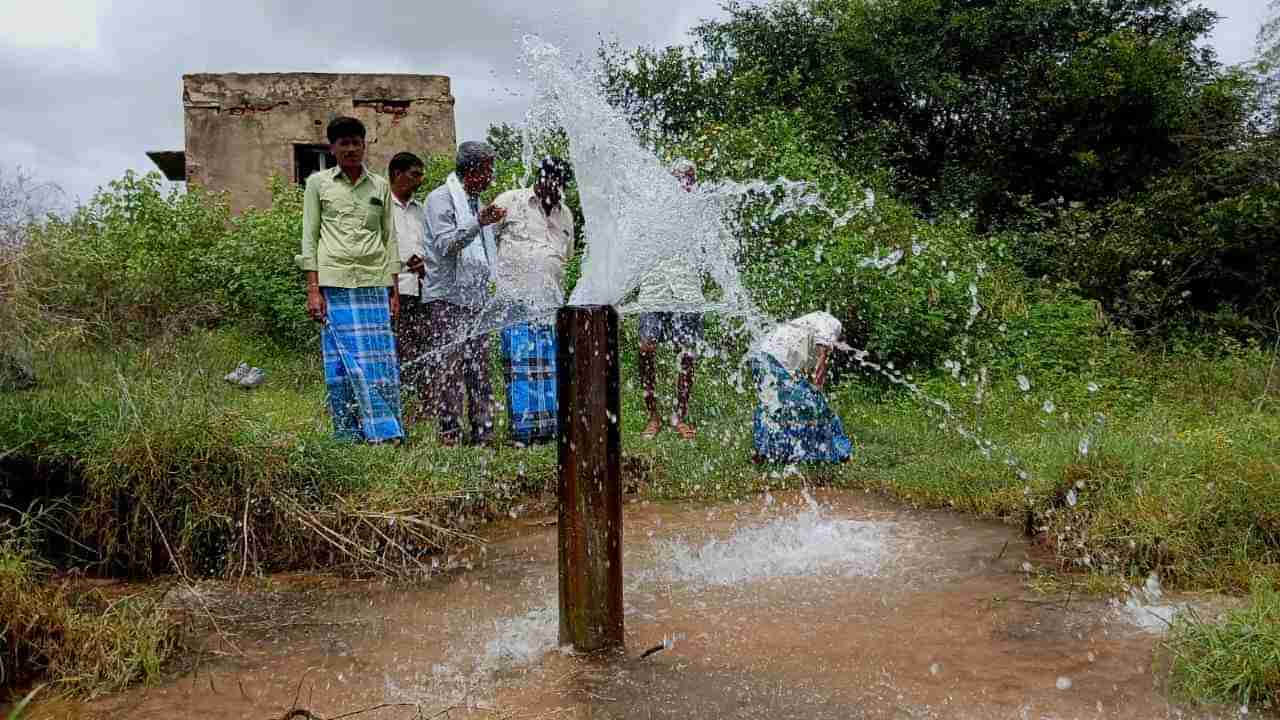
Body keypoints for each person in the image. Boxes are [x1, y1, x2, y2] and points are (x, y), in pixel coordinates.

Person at [296, 116, 403, 445]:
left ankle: (385, 431)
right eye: (344, 143)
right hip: (335, 284)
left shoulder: (380, 186)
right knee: (342, 363)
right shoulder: (318, 184)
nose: (352, 149)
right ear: (333, 148)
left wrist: (394, 291)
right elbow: (309, 238)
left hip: (373, 284)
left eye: (357, 142)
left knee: (379, 361)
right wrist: (314, 290)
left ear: (365, 145)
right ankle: (349, 434)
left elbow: (390, 239)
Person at [417, 141, 506, 446]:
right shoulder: (439, 200)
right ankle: (449, 434)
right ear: (471, 170)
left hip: (475, 299)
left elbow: (483, 250)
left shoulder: (476, 204)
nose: (491, 177)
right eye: (487, 170)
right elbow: (445, 245)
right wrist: (478, 222)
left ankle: (484, 433)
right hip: (446, 297)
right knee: (449, 368)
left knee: (479, 368)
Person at [490, 157, 575, 446]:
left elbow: (567, 255)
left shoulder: (566, 216)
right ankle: (523, 433)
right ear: (537, 178)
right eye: (546, 178)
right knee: (521, 367)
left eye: (557, 181)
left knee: (549, 368)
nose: (550, 185)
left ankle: (548, 431)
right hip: (517, 301)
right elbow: (486, 240)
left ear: (562, 186)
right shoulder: (511, 201)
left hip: (551, 303)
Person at [637, 163, 703, 440]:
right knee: (646, 348)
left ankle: (679, 416)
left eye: (689, 179)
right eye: (679, 178)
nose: (683, 184)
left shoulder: (699, 210)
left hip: (687, 290)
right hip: (654, 287)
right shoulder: (652, 210)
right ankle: (653, 416)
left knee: (687, 354)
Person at [750, 311, 854, 464]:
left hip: (760, 355)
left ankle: (764, 452)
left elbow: (804, 374)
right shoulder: (833, 323)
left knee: (771, 405)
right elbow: (822, 349)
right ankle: (839, 454)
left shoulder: (806, 334)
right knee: (815, 407)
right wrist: (820, 374)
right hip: (775, 359)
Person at [387, 152, 429, 427]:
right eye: (415, 174)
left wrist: (423, 261)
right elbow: (381, 247)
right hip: (393, 289)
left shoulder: (420, 209)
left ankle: (417, 408)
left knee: (417, 349)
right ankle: (395, 407)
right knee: (395, 349)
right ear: (397, 174)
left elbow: (429, 245)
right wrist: (403, 262)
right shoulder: (381, 206)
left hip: (420, 289)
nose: (420, 180)